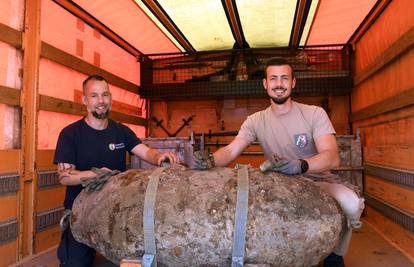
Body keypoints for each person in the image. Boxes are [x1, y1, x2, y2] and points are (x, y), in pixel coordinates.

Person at [194, 58, 364, 267]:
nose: (279, 84)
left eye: (284, 78)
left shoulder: (314, 114)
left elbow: (331, 156)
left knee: (352, 204)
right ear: (265, 84)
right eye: (273, 78)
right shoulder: (255, 120)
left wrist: (301, 165)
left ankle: (334, 254)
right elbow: (230, 151)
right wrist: (210, 160)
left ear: (293, 83)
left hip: (317, 181)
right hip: (277, 185)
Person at [54, 74, 180, 267]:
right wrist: (95, 175)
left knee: (139, 258)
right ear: (85, 100)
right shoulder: (70, 134)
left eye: (105, 95)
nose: (101, 101)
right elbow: (64, 177)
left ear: (110, 98)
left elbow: (146, 152)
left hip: (117, 213)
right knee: (74, 264)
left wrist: (159, 157)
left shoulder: (121, 132)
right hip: (82, 214)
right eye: (94, 96)